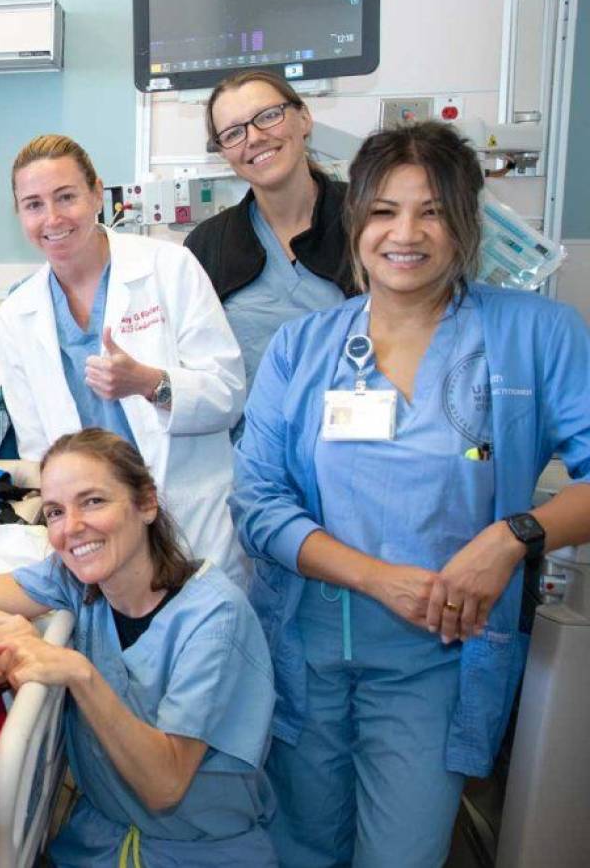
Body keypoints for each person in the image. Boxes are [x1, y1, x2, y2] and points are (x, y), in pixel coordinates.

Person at [231, 121, 590, 867]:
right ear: (355, 221)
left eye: (431, 211)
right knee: (300, 846)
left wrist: (511, 538)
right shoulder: (303, 348)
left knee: (404, 850)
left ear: (465, 222)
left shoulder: (536, 334)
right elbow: (258, 501)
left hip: (439, 655)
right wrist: (375, 578)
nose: (407, 233)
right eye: (385, 211)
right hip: (305, 645)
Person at [0, 428, 276, 866]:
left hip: (197, 852)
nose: (72, 527)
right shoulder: (73, 578)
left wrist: (79, 672)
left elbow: (164, 786)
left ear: (146, 503)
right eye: (55, 511)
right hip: (96, 843)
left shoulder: (214, 618)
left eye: (93, 501)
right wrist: (19, 631)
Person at [0, 134, 249, 589]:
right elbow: (39, 449)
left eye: (66, 197)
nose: (52, 219)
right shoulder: (18, 313)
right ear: (18, 214)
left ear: (96, 192)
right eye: (33, 205)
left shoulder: (169, 269)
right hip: (95, 533)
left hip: (188, 515)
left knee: (205, 641)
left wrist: (149, 382)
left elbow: (227, 395)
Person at [187, 70, 357, 389]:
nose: (254, 138)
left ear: (304, 118)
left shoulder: (367, 217)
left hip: (363, 432)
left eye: (268, 116)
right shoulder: (207, 245)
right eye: (233, 133)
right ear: (223, 152)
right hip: (252, 436)